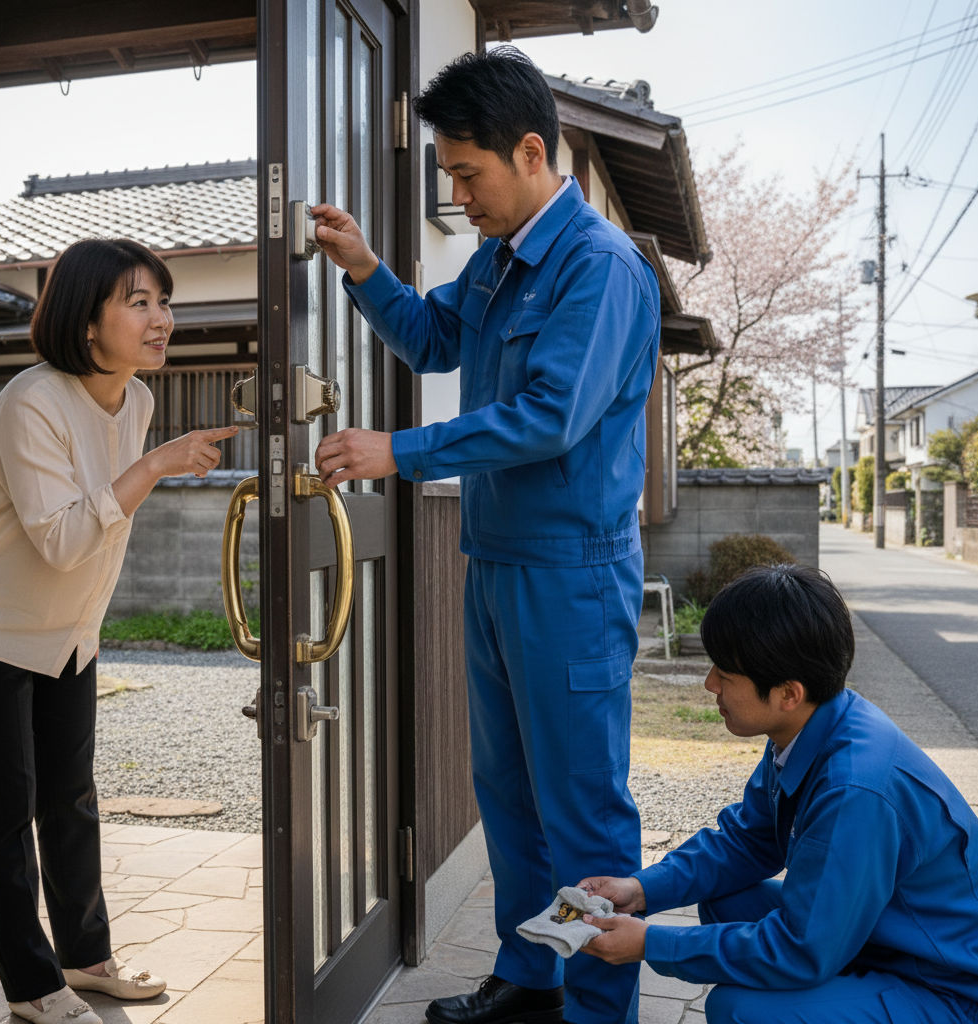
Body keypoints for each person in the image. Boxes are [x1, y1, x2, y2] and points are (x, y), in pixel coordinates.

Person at [310, 47, 660, 1024]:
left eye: (468, 174)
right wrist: (364, 267)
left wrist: (401, 450)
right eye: (449, 176)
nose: (460, 194)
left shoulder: (600, 268)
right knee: (507, 795)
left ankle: (597, 1009)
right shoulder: (499, 261)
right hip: (496, 563)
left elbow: (547, 415)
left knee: (582, 808)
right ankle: (532, 977)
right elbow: (430, 338)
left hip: (571, 579)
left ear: (532, 152)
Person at [0, 238, 239, 1024]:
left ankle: (85, 958)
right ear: (86, 320)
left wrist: (147, 462)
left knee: (72, 798)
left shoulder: (135, 400)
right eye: (140, 302)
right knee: (8, 810)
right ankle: (29, 985)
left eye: (164, 301)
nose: (163, 318)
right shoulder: (31, 401)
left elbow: (101, 524)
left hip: (72, 631)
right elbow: (61, 536)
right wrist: (156, 467)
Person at [576, 564, 978, 1024]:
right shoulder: (815, 727)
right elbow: (748, 841)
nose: (710, 683)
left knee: (739, 1010)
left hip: (951, 988)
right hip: (879, 939)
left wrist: (649, 943)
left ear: (788, 693)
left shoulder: (855, 788)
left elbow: (802, 948)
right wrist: (638, 890)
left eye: (725, 674)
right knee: (726, 898)